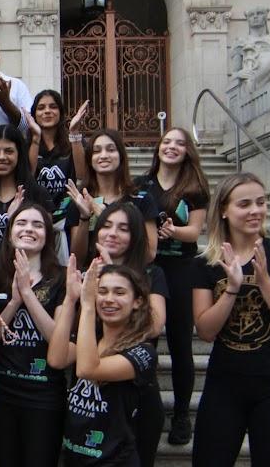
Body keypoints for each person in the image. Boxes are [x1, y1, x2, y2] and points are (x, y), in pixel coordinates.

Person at [193, 172, 270, 467]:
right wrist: (232, 287)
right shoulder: (205, 263)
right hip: (224, 385)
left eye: (260, 202)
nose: (255, 210)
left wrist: (265, 283)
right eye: (244, 204)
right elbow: (206, 330)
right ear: (224, 210)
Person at [135, 127, 210, 445]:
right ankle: (143, 407)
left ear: (188, 151)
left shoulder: (194, 188)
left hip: (182, 270)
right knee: (145, 340)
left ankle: (181, 415)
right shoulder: (142, 185)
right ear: (158, 148)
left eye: (180, 143)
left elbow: (195, 232)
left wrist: (170, 232)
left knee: (180, 344)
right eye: (167, 142)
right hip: (148, 268)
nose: (172, 147)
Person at [48, 258, 157, 466]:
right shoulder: (92, 339)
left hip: (114, 461)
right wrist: (71, 300)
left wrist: (88, 305)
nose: (108, 299)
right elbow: (56, 359)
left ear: (138, 301)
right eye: (102, 291)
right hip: (75, 456)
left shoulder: (144, 352)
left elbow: (88, 369)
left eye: (119, 292)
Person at [0, 203, 66, 467]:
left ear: (48, 236)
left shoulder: (61, 280)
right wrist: (13, 302)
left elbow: (58, 340)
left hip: (44, 395)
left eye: (37, 225)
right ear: (9, 233)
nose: (28, 229)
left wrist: (28, 296)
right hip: (2, 394)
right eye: (21, 223)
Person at [90, 202, 168, 467]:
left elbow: (154, 325)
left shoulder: (152, 274)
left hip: (137, 395)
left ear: (135, 237)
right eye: (107, 226)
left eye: (123, 229)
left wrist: (113, 274)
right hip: (90, 397)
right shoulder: (86, 275)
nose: (112, 233)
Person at [0, 125, 52, 283]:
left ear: (19, 154)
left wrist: (12, 221)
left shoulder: (37, 194)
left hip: (26, 275)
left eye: (9, 151)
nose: (1, 157)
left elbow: (47, 243)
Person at [66, 128, 158, 266]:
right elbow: (77, 259)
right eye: (97, 151)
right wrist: (85, 218)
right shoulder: (80, 201)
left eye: (110, 149)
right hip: (93, 277)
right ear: (90, 159)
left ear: (121, 156)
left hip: (129, 278)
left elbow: (149, 255)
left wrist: (104, 216)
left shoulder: (141, 199)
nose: (103, 155)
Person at [26, 90, 88, 263]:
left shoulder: (74, 143)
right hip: (37, 217)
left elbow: (82, 175)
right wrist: (35, 139)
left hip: (67, 219)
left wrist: (74, 133)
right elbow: (28, 177)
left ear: (60, 112)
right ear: (34, 114)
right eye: (41, 108)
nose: (47, 111)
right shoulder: (27, 143)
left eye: (53, 107)